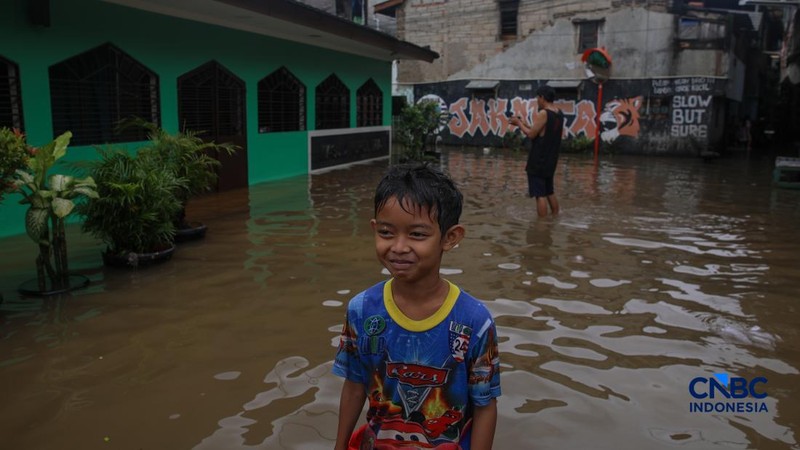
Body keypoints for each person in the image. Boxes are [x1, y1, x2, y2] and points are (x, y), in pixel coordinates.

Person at [332, 163, 501, 450]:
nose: (398, 247)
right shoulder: (361, 311)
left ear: (450, 238)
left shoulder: (475, 321)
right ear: (374, 229)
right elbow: (354, 385)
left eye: (417, 235)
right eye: (386, 232)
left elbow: (485, 406)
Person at [509, 84, 565, 217]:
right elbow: (540, 130)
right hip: (551, 159)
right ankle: (555, 216)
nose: (537, 101)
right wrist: (524, 123)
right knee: (549, 191)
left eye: (537, 98)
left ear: (542, 97)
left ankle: (542, 225)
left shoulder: (544, 113)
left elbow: (531, 134)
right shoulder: (559, 113)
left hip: (538, 159)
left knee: (539, 195)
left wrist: (518, 124)